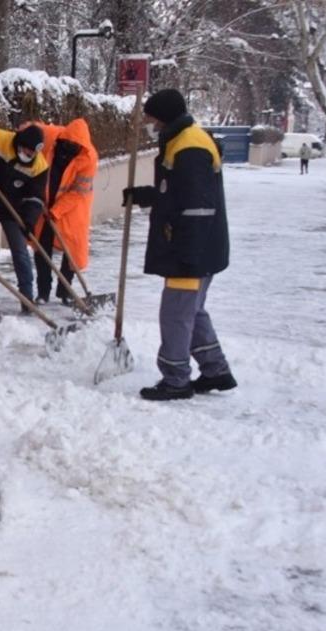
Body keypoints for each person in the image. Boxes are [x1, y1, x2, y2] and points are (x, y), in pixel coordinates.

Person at [123, 88, 237, 401]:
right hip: (200, 246)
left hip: (192, 249)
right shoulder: (183, 140)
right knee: (192, 311)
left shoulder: (190, 147)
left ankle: (176, 380)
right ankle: (215, 370)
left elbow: (198, 207)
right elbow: (176, 193)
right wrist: (145, 195)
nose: (148, 124)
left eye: (151, 118)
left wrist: (188, 255)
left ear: (164, 117)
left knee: (175, 314)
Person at [0, 124, 48, 309]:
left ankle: (26, 298)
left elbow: (36, 197)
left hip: (13, 209)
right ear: (20, 143)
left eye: (33, 153)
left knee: (20, 252)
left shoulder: (39, 166)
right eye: (27, 150)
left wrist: (29, 220)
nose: (29, 155)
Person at [32, 118, 98, 304]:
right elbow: (31, 131)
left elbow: (78, 192)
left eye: (74, 147)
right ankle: (43, 291)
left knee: (73, 248)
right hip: (46, 201)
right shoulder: (51, 138)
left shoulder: (88, 158)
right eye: (67, 144)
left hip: (73, 205)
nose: (68, 150)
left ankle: (65, 290)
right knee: (42, 246)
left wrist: (56, 211)